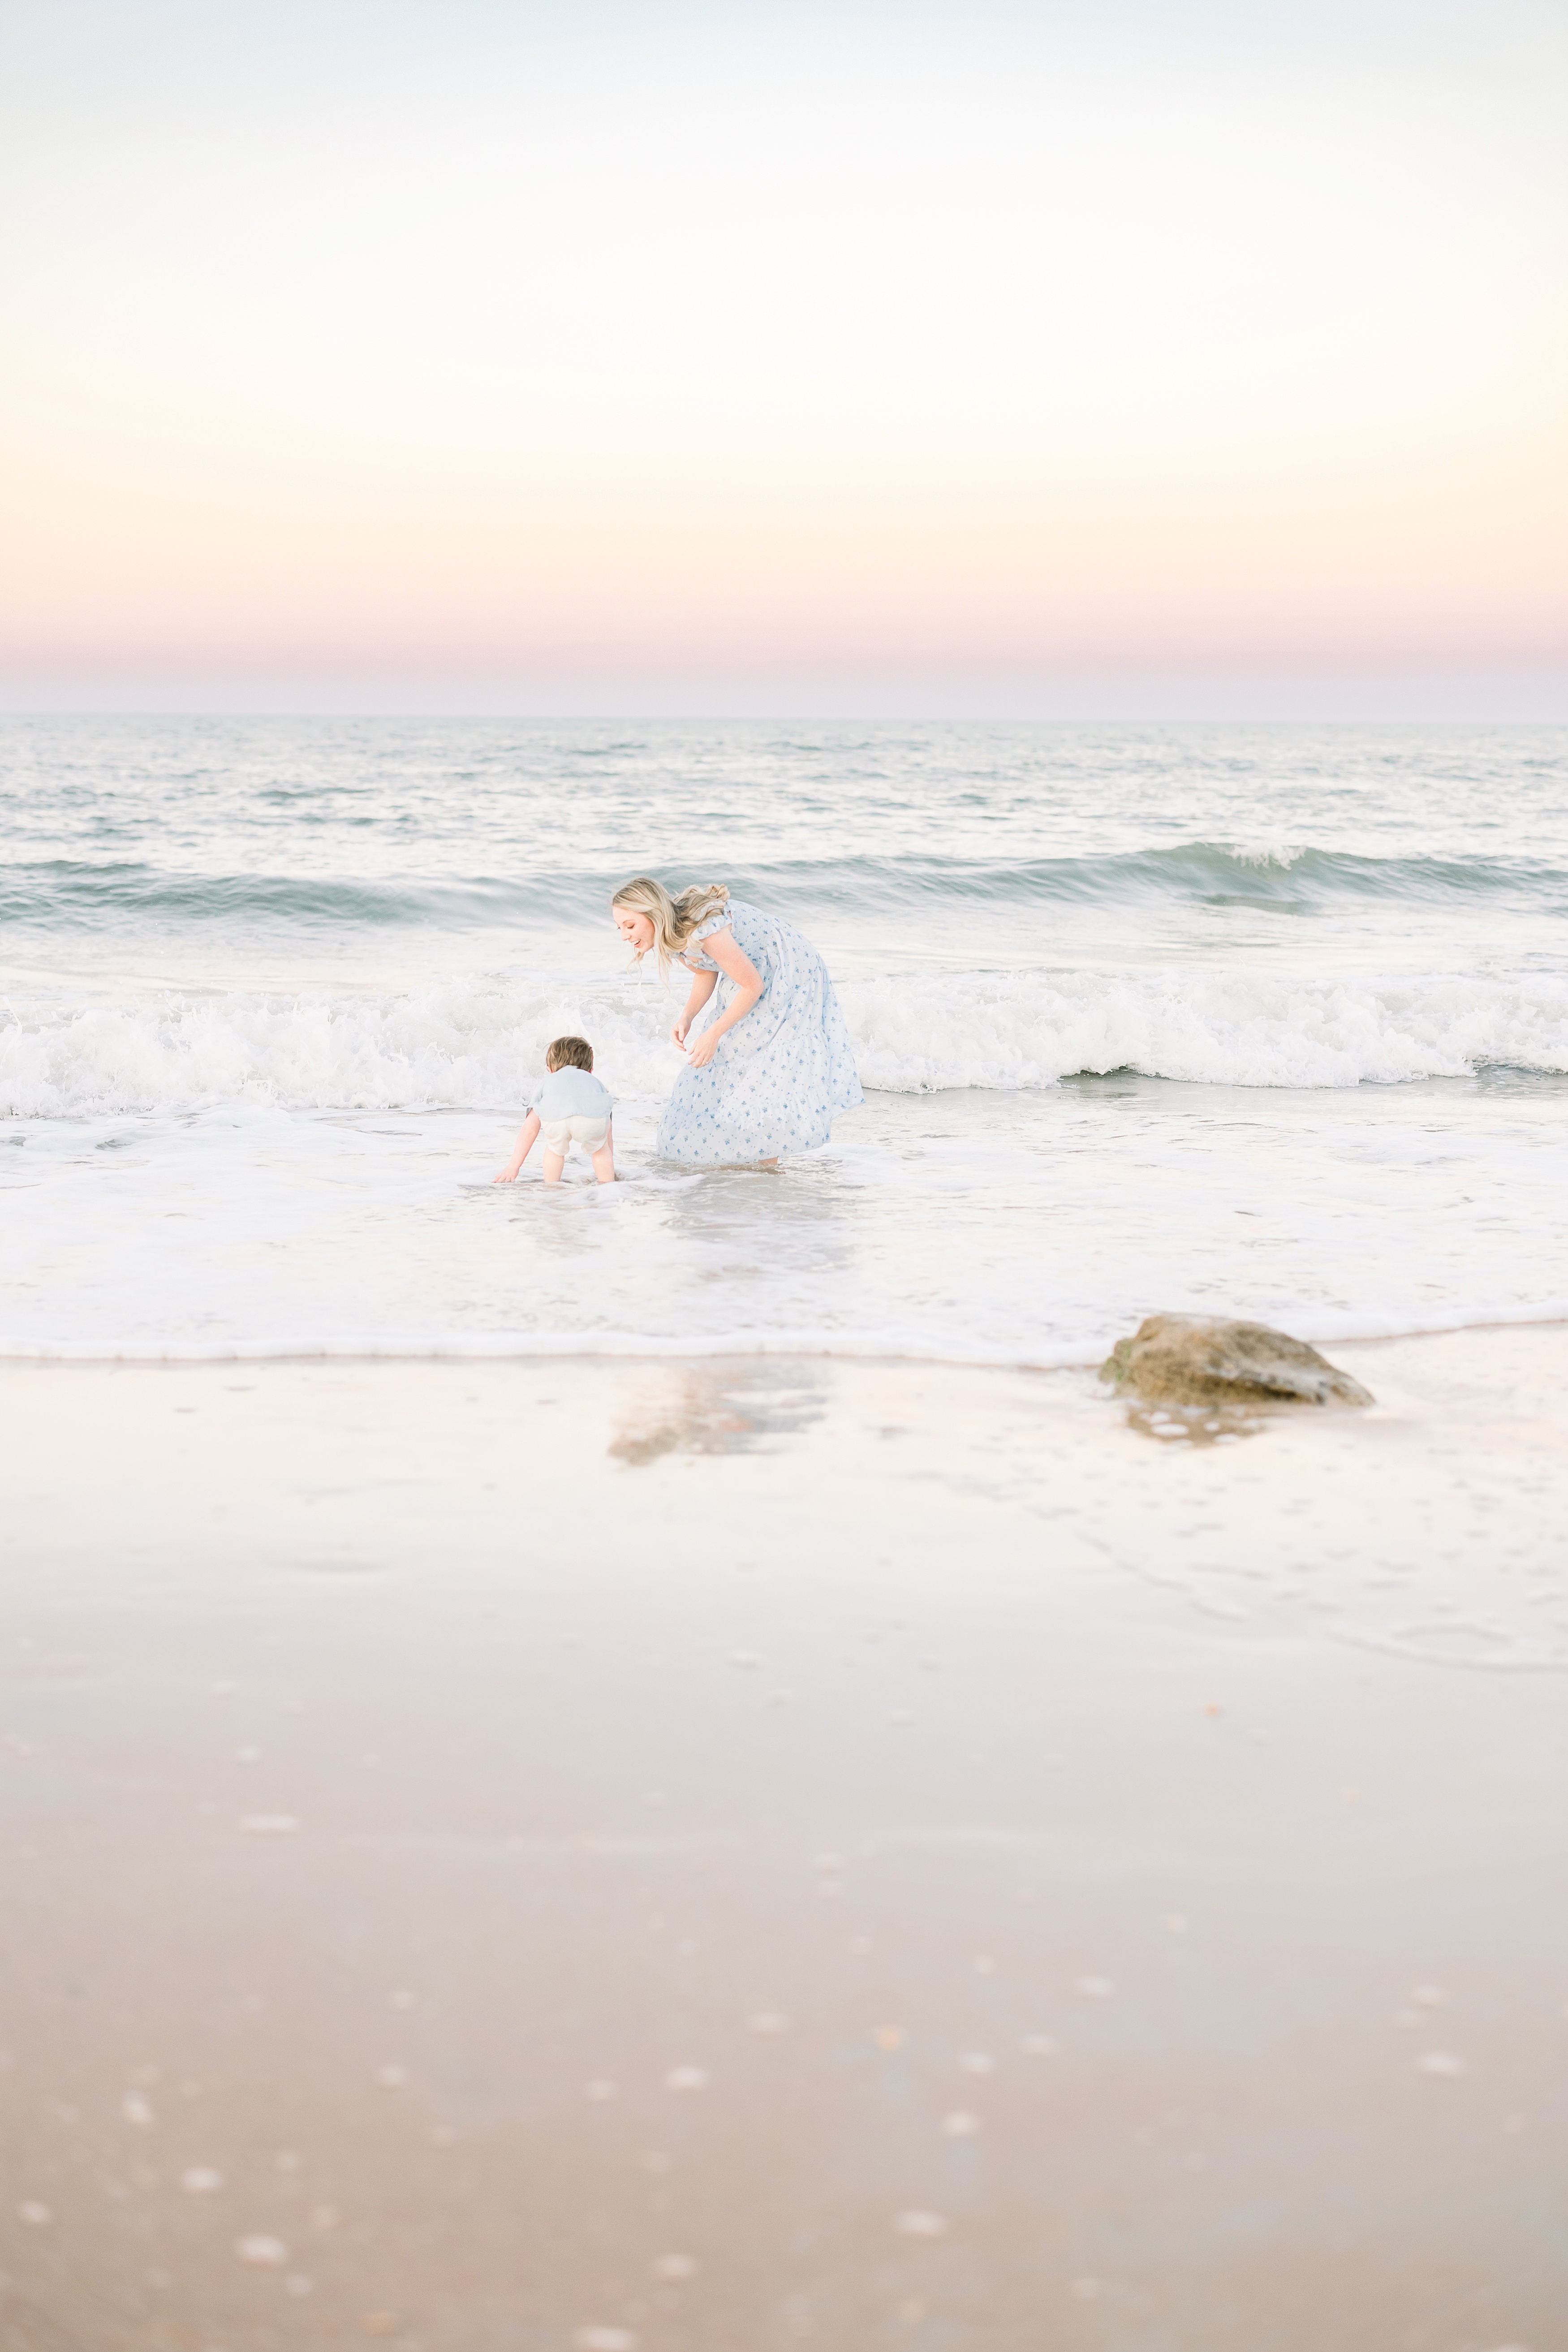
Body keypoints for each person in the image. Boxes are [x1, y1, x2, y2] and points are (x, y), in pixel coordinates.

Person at [611, 878, 862, 1167]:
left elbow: (752, 986)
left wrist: (714, 1033)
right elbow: (707, 970)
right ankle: (749, 1154)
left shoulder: (705, 931)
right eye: (619, 928)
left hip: (788, 968)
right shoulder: (674, 939)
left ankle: (765, 1163)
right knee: (731, 1052)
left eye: (630, 926)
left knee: (762, 1058)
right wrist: (688, 1016)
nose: (624, 936)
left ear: (654, 915)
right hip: (752, 970)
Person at [493, 1034, 616, 1186]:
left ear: (550, 1070)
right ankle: (608, 1186)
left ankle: (552, 1188)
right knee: (600, 1148)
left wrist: (513, 1167)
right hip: (593, 1121)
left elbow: (530, 1129)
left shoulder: (548, 1081)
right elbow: (606, 1123)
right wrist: (609, 1153)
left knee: (554, 1150)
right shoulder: (594, 1082)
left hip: (558, 1120)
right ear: (590, 1071)